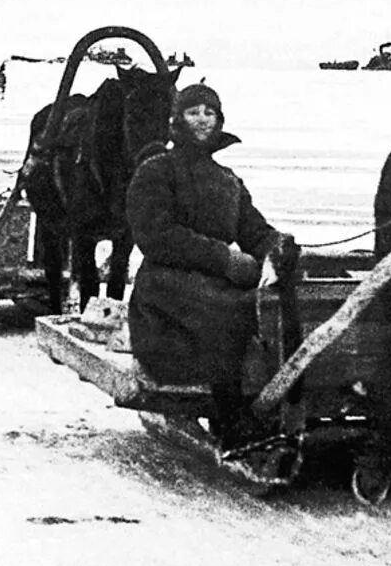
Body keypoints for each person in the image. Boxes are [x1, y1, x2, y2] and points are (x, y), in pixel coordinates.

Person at [125, 83, 298, 452]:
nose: (203, 119)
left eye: (209, 112)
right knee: (232, 309)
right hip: (163, 284)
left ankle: (274, 396)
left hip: (214, 278)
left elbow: (254, 229)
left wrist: (277, 247)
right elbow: (156, 236)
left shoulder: (228, 180)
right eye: (193, 112)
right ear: (177, 120)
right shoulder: (155, 171)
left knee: (270, 304)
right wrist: (223, 259)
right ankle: (230, 417)